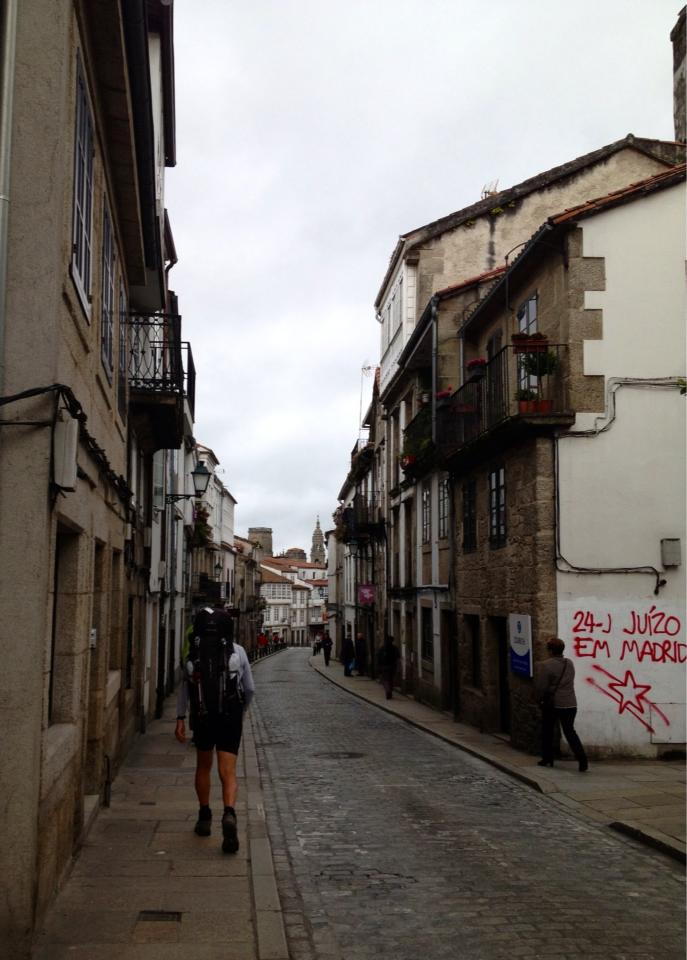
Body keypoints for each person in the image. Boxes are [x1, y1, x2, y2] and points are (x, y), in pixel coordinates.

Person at [175, 604, 255, 853]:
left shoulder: (194, 655)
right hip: (230, 715)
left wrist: (180, 717)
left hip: (203, 715)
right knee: (227, 771)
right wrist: (241, 709)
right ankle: (229, 813)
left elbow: (185, 688)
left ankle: (204, 816)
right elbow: (250, 688)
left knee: (203, 766)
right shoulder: (238, 652)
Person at [534, 637, 588, 772]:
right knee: (570, 732)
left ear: (551, 651)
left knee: (547, 731)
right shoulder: (569, 663)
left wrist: (539, 699)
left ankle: (547, 758)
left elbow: (541, 687)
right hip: (570, 703)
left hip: (553, 704)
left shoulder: (545, 665)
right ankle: (582, 760)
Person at [377, 635, 400, 699]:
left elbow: (378, 658)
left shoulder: (382, 648)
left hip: (384, 667)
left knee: (385, 680)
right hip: (392, 667)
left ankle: (388, 691)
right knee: (391, 679)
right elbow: (398, 657)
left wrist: (379, 667)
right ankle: (390, 691)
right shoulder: (395, 648)